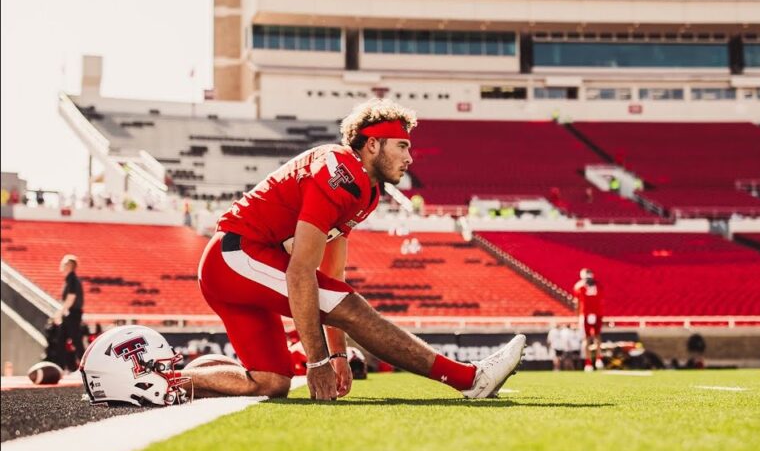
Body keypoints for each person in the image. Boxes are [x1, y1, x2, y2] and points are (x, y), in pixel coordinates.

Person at [186, 99, 524, 401]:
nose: (409, 157)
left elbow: (330, 274)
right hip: (234, 258)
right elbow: (302, 272)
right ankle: (470, 379)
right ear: (373, 144)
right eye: (402, 146)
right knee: (353, 306)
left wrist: (338, 356)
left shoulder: (367, 190)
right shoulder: (341, 171)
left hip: (240, 265)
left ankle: (166, 380)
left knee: (271, 382)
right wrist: (317, 360)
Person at [53, 254, 85, 372]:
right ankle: (62, 367)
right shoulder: (70, 279)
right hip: (69, 314)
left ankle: (84, 367)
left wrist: (60, 313)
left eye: (63, 263)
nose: (61, 265)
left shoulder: (72, 279)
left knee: (76, 341)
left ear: (69, 266)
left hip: (73, 314)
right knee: (61, 340)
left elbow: (71, 298)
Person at [573, 268, 604, 372]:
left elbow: (576, 302)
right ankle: (595, 360)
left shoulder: (579, 286)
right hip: (594, 313)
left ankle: (590, 362)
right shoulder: (597, 285)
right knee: (595, 337)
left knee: (588, 338)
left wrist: (576, 316)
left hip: (587, 313)